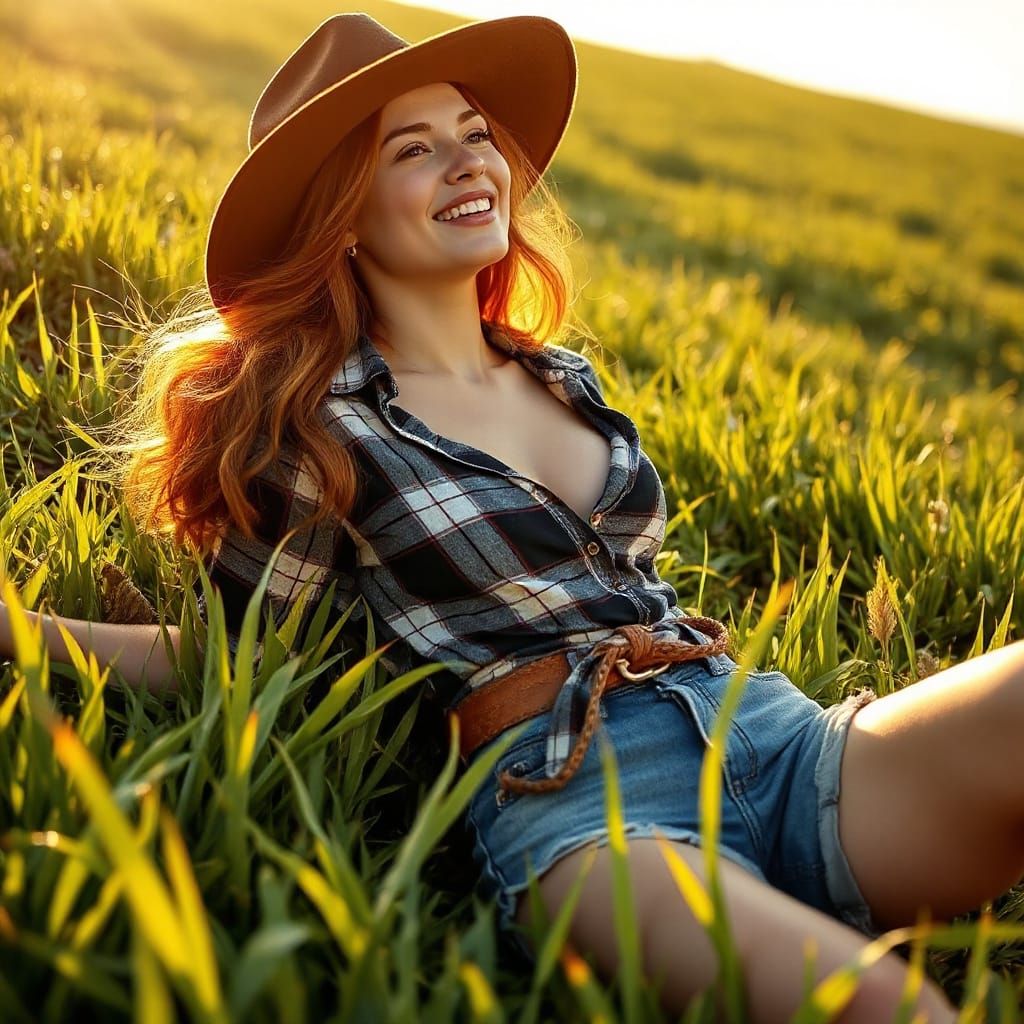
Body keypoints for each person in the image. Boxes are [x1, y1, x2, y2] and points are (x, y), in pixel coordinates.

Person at [4, 12, 1021, 1022]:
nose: (466, 163)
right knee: (888, 1005)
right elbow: (235, 659)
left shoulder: (563, 377)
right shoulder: (314, 429)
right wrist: (25, 630)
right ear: (342, 214)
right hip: (589, 807)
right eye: (414, 150)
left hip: (770, 733)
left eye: (474, 134)